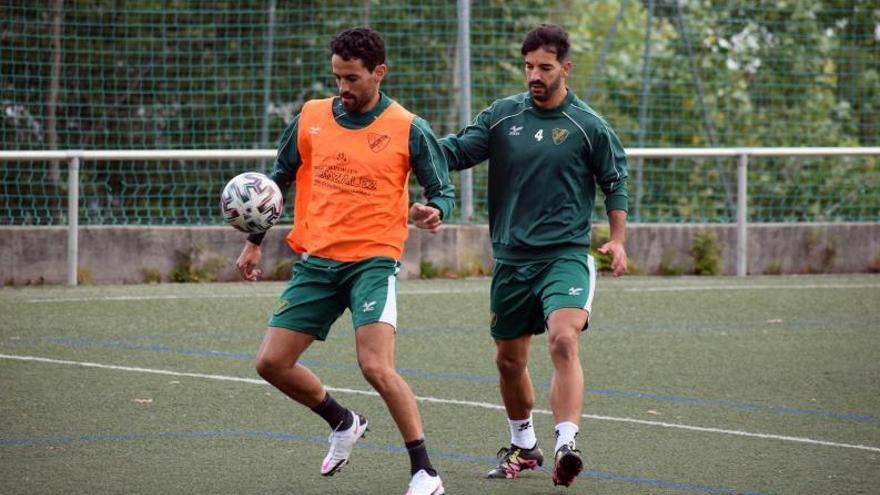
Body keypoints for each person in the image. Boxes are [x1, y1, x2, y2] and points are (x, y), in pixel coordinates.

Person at [236, 27, 452, 495]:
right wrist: (254, 240)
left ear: (379, 73)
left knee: (375, 366)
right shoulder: (312, 117)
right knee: (271, 363)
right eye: (337, 77)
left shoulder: (408, 127)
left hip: (373, 262)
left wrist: (434, 212)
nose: (343, 88)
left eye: (352, 78)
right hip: (317, 262)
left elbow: (442, 191)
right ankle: (343, 421)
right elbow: (277, 182)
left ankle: (424, 471)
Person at [439, 24, 629, 488]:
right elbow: (458, 151)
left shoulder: (589, 126)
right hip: (510, 258)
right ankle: (525, 447)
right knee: (508, 361)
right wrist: (409, 143)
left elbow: (615, 180)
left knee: (564, 339)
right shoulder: (504, 117)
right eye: (528, 67)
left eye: (545, 67)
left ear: (566, 68)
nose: (535, 76)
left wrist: (618, 238)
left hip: (565, 254)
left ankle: (567, 443)